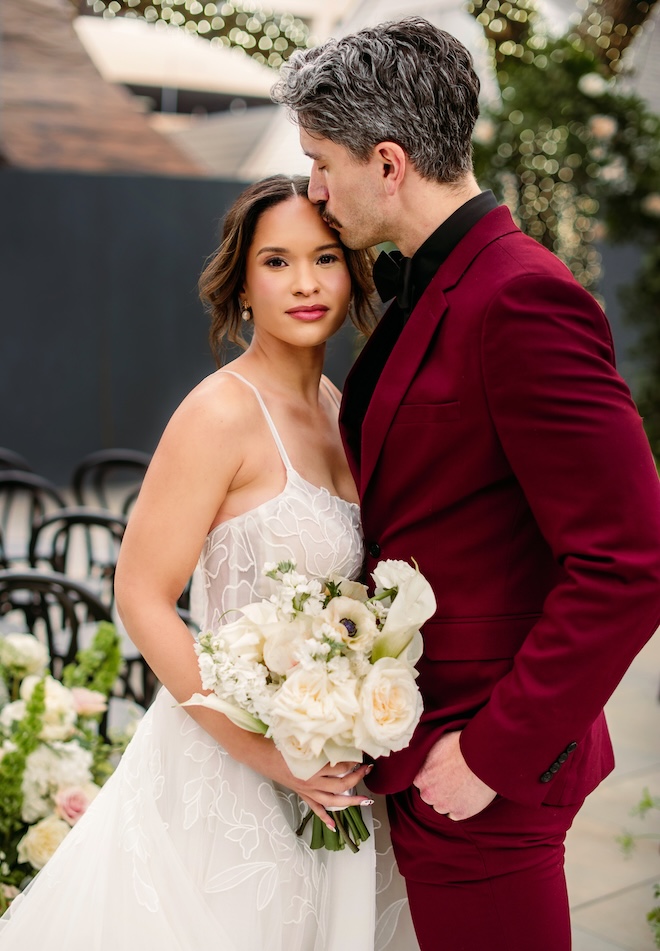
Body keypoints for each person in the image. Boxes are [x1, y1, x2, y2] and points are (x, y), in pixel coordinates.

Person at [272, 17, 660, 951]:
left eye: (322, 162)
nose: (315, 192)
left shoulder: (519, 296)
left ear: (391, 162)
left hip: (481, 764)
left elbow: (631, 561)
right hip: (416, 743)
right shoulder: (432, 287)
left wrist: (492, 752)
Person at [0, 175, 418, 950]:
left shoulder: (339, 405)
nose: (304, 283)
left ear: (353, 271)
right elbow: (142, 593)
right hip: (227, 777)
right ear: (243, 283)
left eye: (325, 257)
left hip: (334, 769)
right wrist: (264, 751)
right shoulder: (219, 411)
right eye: (277, 261)